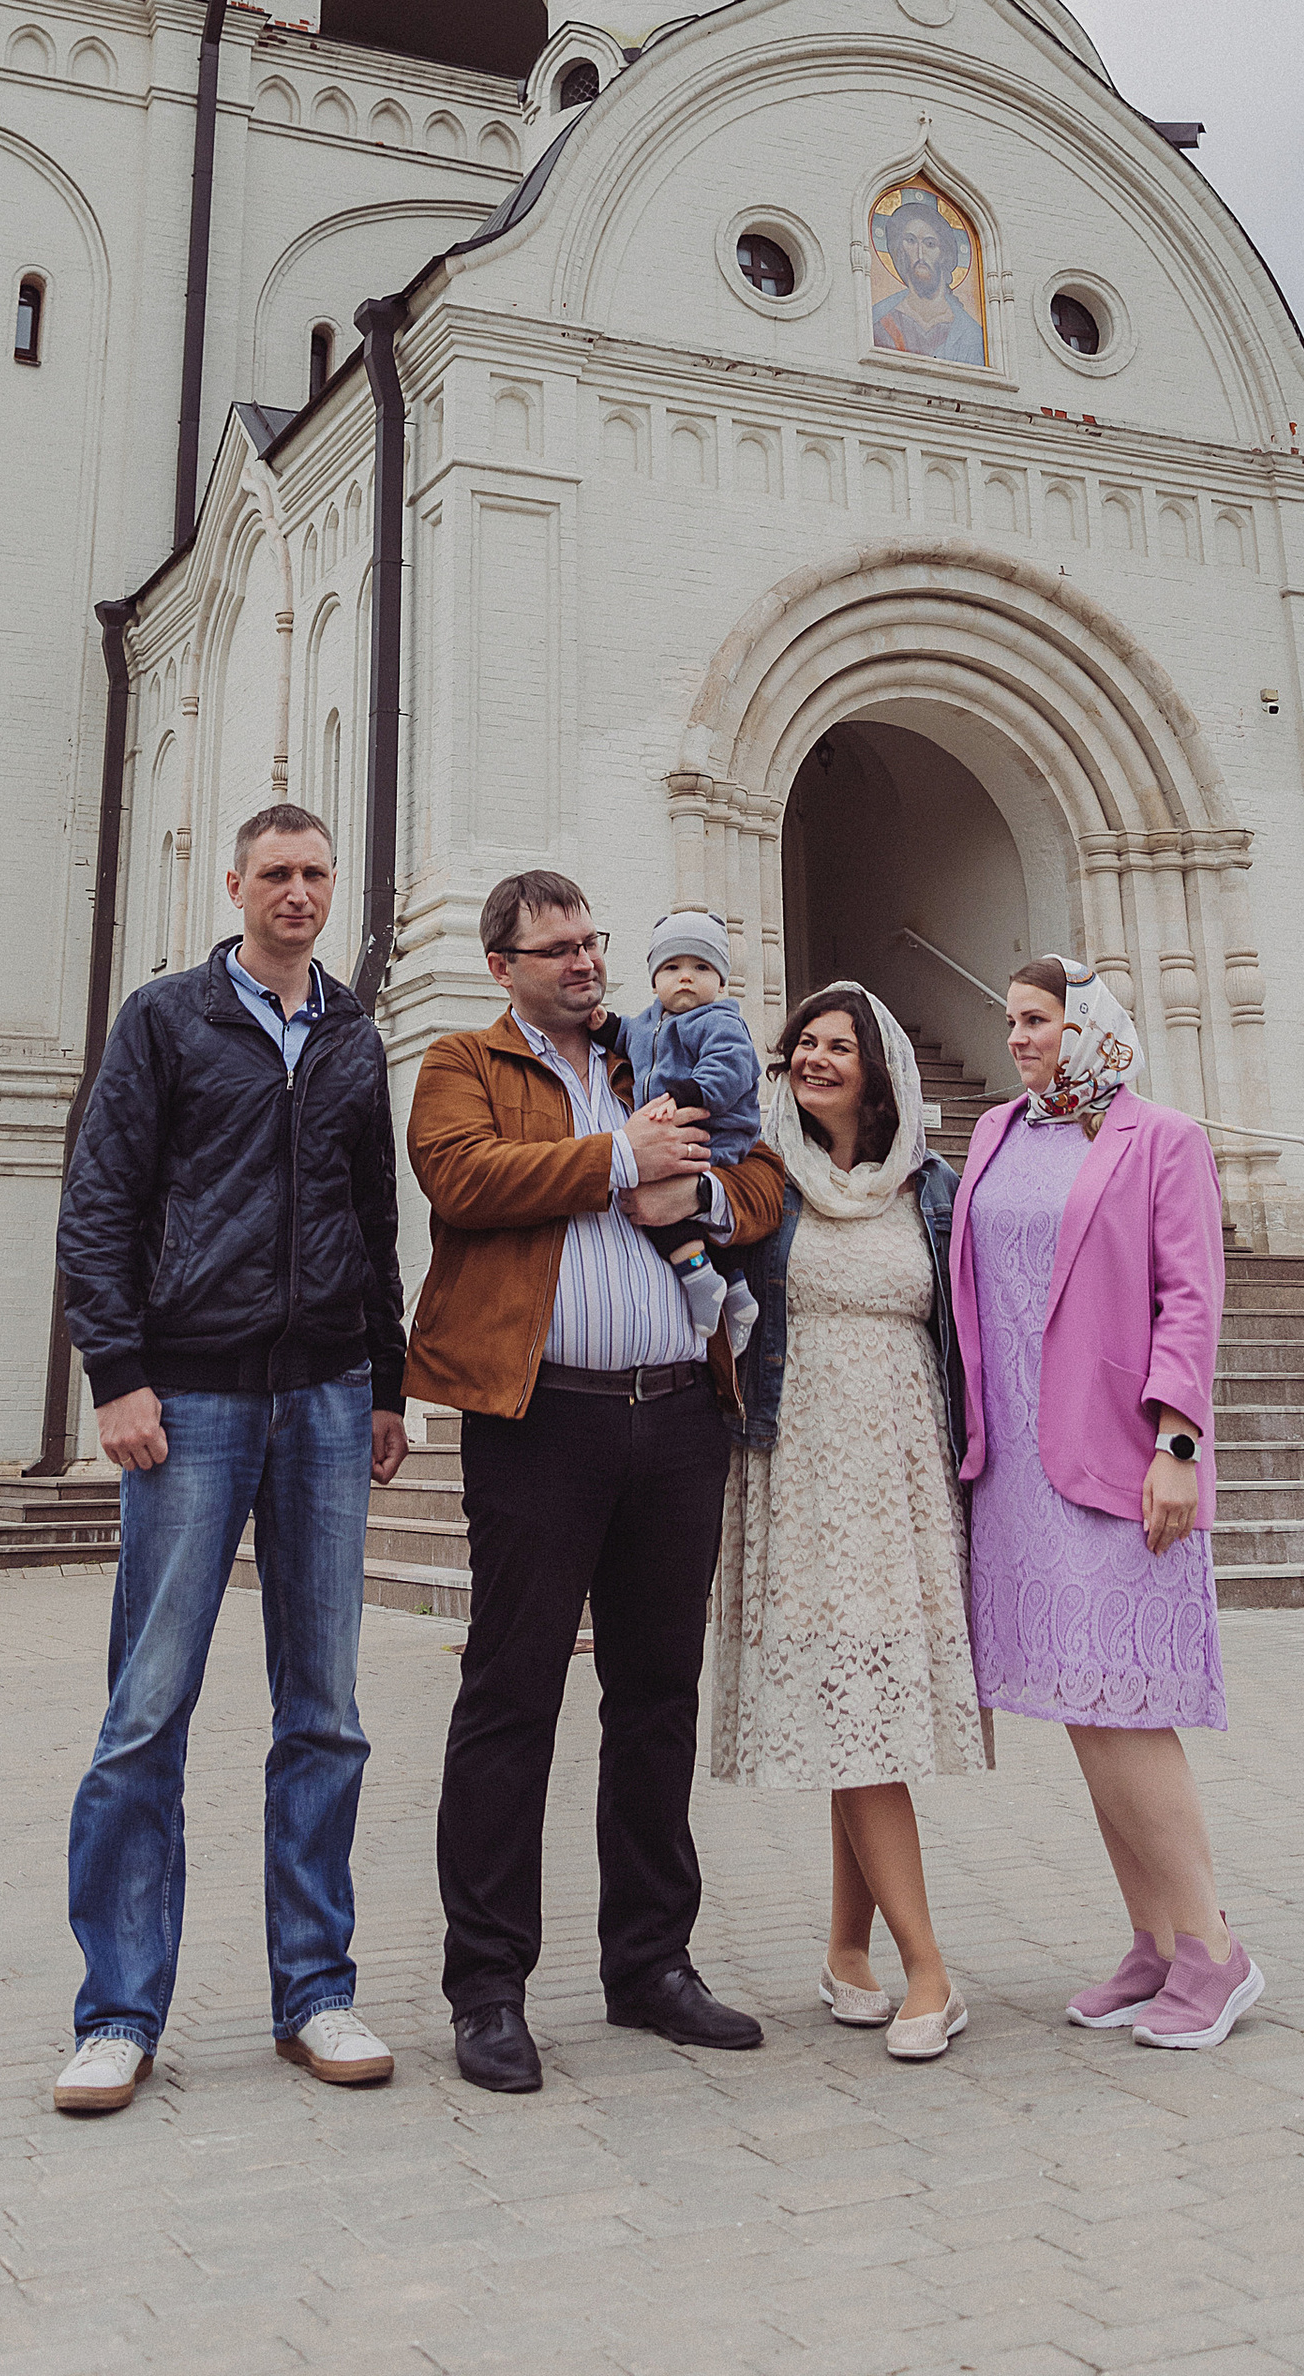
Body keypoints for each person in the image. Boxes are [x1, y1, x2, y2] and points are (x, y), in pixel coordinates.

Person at [51, 801, 409, 2113]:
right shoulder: (165, 1019)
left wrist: (389, 1378)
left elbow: (372, 1213)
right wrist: (118, 1375)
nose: (300, 893)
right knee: (147, 1708)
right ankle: (119, 2014)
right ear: (237, 885)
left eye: (318, 873)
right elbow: (101, 1200)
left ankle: (314, 1993)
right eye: (278, 874)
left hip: (324, 1395)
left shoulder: (357, 1034)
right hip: (188, 1400)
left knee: (325, 1713)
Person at [407, 869, 787, 2093]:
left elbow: (763, 1176)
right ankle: (488, 1986)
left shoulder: (656, 1048)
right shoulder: (465, 1064)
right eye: (556, 948)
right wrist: (614, 1156)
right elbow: (462, 1182)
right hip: (540, 1422)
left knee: (656, 1697)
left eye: (592, 942)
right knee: (511, 1698)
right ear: (502, 966)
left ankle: (650, 1964)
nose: (584, 963)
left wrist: (707, 1197)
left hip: (678, 1417)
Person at [952, 953, 1262, 2051]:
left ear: (1092, 1027)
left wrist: (1177, 1443)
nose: (1019, 1037)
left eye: (1037, 1019)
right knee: (1086, 1710)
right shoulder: (996, 1135)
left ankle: (1214, 1954)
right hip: (1016, 1465)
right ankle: (1152, 1942)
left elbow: (1191, 1299)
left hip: (1122, 1459)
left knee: (1128, 1704)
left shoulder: (1160, 1139)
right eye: (1011, 1020)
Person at [711, 984, 984, 2062]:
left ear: (878, 1069)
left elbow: (971, 1331)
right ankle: (929, 1970)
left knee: (858, 1704)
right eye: (804, 1045)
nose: (818, 1059)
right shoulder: (762, 1180)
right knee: (854, 1707)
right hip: (803, 1468)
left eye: (840, 1046)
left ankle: (844, 1952)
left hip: (904, 1473)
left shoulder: (929, 1189)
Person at [616, 907, 765, 1353]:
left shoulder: (720, 1020)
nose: (686, 977)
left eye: (701, 967)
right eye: (672, 967)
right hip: (681, 1132)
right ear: (653, 979)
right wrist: (603, 1026)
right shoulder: (646, 1023)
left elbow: (733, 1068)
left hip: (716, 1133)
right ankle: (737, 1294)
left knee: (653, 1201)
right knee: (672, 1202)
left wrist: (689, 1094)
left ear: (720, 982)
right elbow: (623, 1035)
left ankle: (699, 1277)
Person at [871, 192, 983, 363]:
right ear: (900, 250)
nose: (920, 254)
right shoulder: (880, 319)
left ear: (943, 254)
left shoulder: (969, 332)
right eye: (911, 241)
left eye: (930, 244)